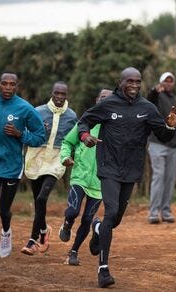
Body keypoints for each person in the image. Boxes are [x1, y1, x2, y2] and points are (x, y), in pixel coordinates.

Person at [77, 67, 176, 288]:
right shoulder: (107, 104)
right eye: (130, 81)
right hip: (108, 166)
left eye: (138, 81)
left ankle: (97, 228)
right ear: (121, 82)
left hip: (131, 170)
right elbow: (84, 121)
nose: (134, 85)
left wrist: (170, 125)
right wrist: (85, 136)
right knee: (111, 210)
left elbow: (162, 134)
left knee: (114, 220)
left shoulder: (147, 107)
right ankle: (103, 269)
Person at [0, 72, 46, 275]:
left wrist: (21, 134)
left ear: (17, 86)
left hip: (12, 166)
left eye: (12, 84)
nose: (8, 87)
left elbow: (40, 137)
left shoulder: (25, 108)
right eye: (4, 83)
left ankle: (6, 231)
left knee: (4, 209)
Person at [21, 81, 77, 255]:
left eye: (63, 94)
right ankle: (44, 231)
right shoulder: (38, 112)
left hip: (56, 161)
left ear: (67, 95)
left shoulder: (72, 116)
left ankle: (32, 240)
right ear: (51, 93)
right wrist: (38, 131)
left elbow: (74, 139)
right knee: (38, 200)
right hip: (36, 159)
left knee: (41, 198)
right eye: (57, 93)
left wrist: (70, 157)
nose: (60, 97)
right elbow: (25, 133)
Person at [58, 88, 112, 266]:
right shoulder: (86, 121)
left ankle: (73, 251)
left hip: (100, 181)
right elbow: (67, 141)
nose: (105, 101)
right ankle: (67, 224)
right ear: (97, 100)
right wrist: (65, 157)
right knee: (73, 211)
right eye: (102, 98)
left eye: (109, 99)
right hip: (80, 174)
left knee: (88, 219)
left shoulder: (115, 127)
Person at [146, 72, 176, 224]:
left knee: (169, 180)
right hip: (157, 143)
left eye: (171, 81)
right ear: (161, 83)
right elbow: (150, 100)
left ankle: (166, 211)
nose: (168, 83)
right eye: (165, 81)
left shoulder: (174, 99)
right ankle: (153, 213)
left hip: (174, 145)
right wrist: (154, 91)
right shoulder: (158, 96)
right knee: (159, 177)